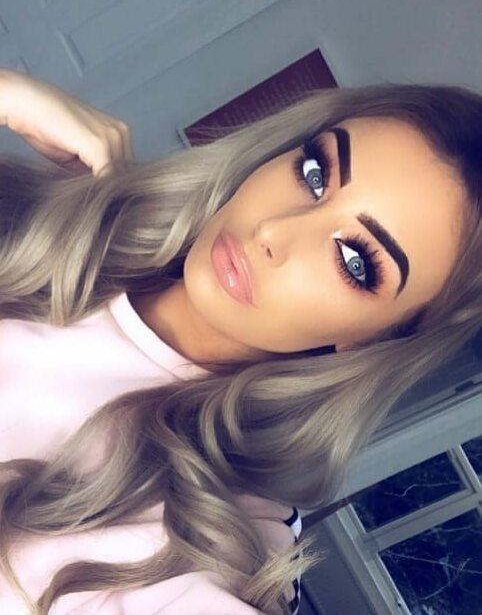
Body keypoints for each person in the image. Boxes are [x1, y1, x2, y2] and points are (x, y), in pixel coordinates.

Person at [0, 67, 480, 615]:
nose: (274, 232)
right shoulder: (43, 217)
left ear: (374, 341)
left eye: (354, 261)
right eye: (316, 174)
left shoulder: (216, 529)